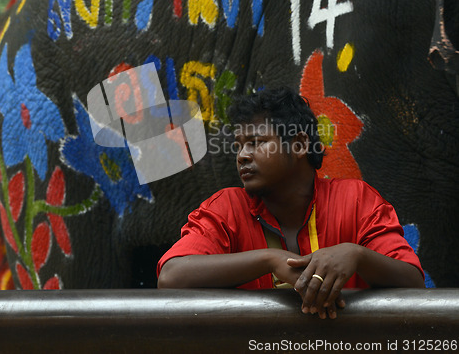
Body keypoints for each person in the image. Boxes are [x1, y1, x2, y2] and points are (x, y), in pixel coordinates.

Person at [157, 87, 424, 319]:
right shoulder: (227, 207)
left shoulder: (356, 200)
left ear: (298, 145)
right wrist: (270, 260)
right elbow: (171, 277)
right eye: (239, 146)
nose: (242, 156)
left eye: (256, 143)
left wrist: (356, 255)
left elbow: (412, 282)